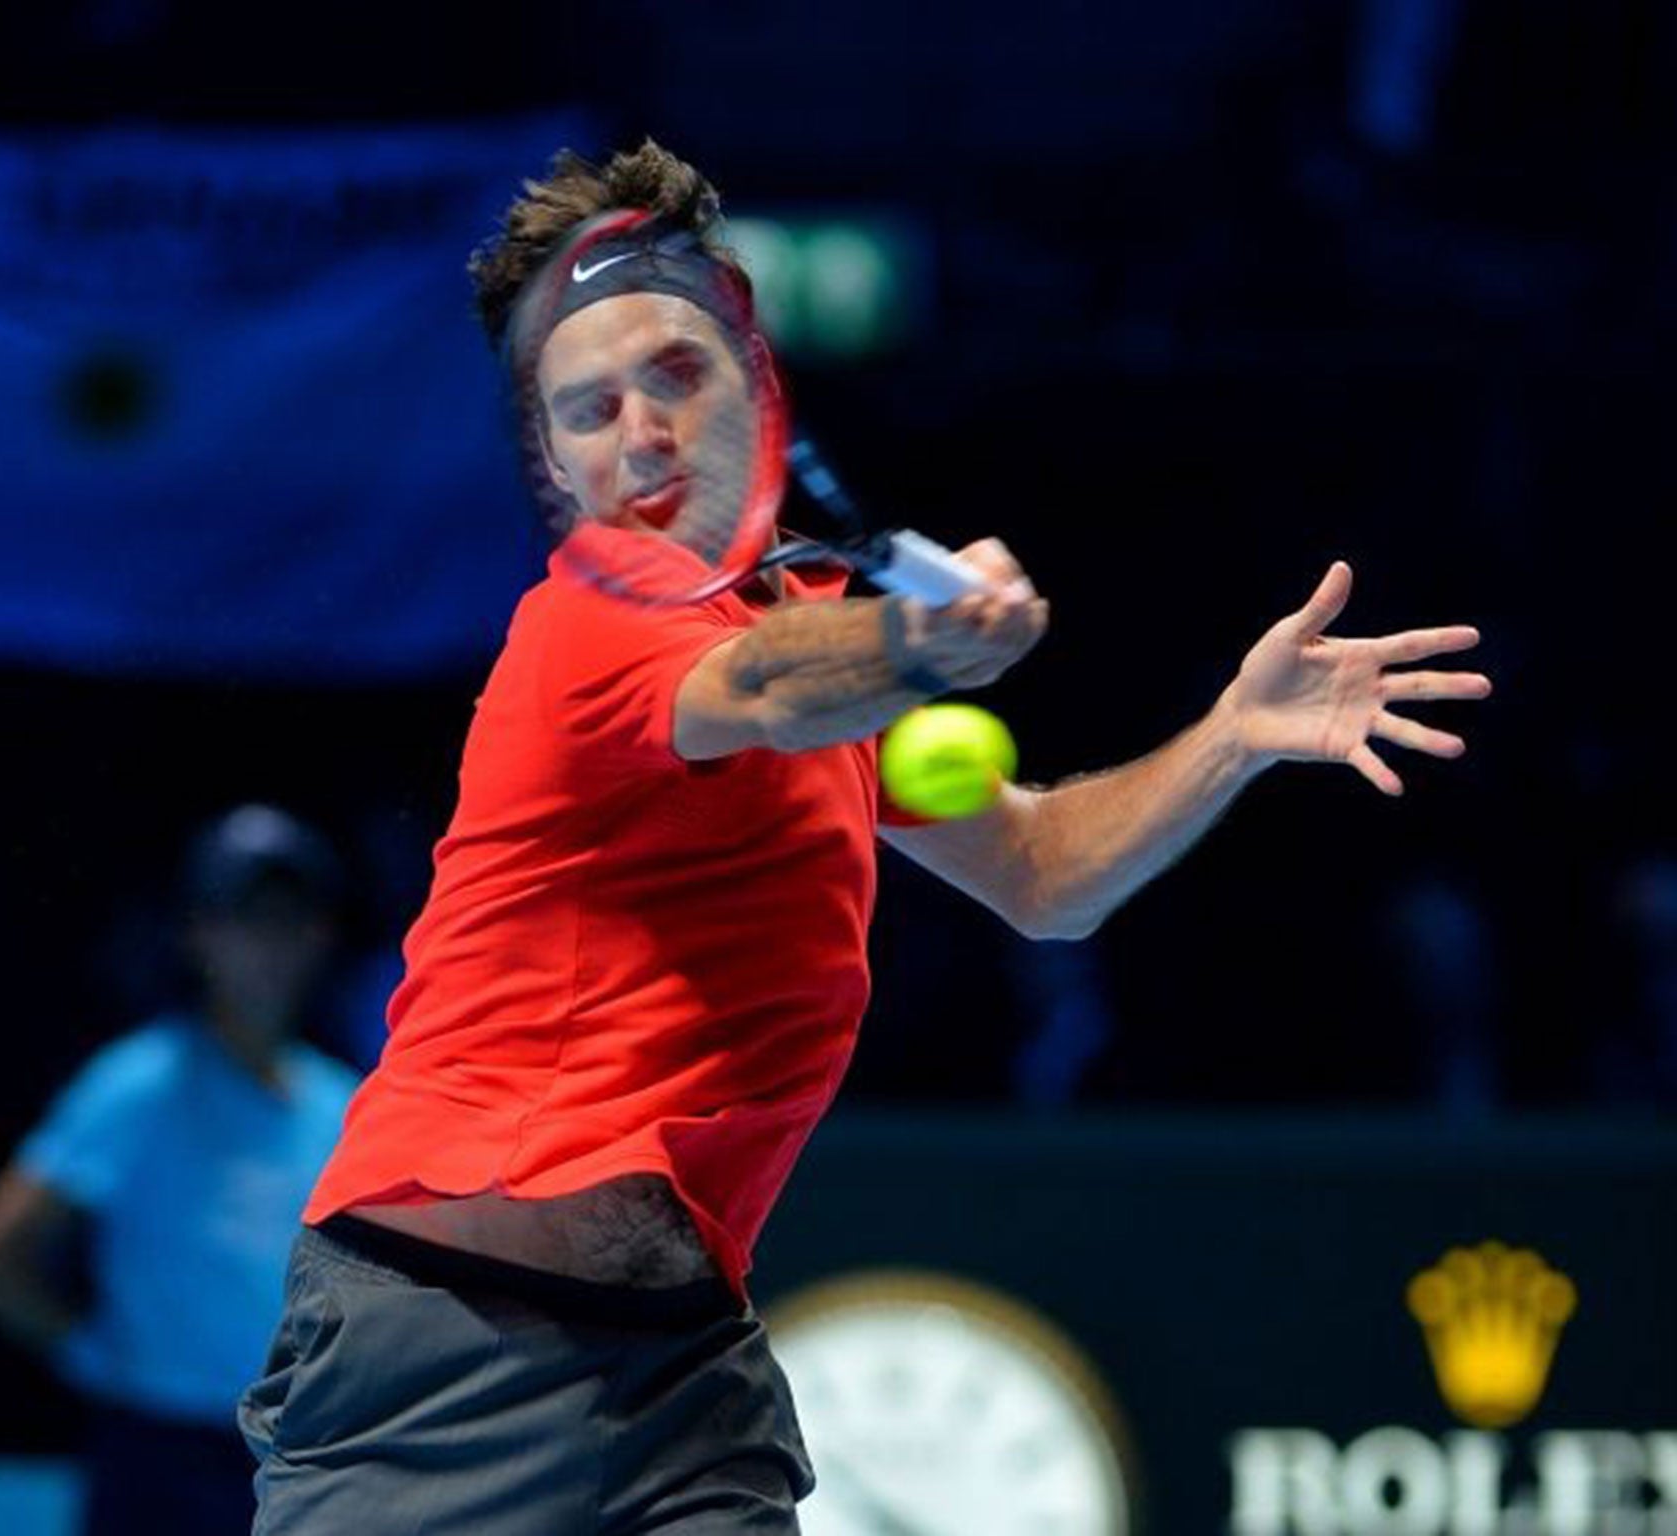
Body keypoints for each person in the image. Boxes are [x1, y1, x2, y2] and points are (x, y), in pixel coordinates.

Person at [238, 142, 1491, 1535]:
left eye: (673, 376)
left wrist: (1232, 739)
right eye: (585, 413)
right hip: (439, 1353)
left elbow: (1045, 875)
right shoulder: (586, 626)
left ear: (756, 388)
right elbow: (767, 692)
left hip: (677, 1362)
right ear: (553, 462)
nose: (638, 436)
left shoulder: (803, 622)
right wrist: (923, 641)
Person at [0, 803, 360, 1536]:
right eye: (246, 919)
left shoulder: (346, 1103)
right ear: (199, 933)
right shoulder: (140, 1081)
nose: (269, 945)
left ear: (320, 937)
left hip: (298, 1460)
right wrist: (94, 1352)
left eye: (288, 920)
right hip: (159, 1460)